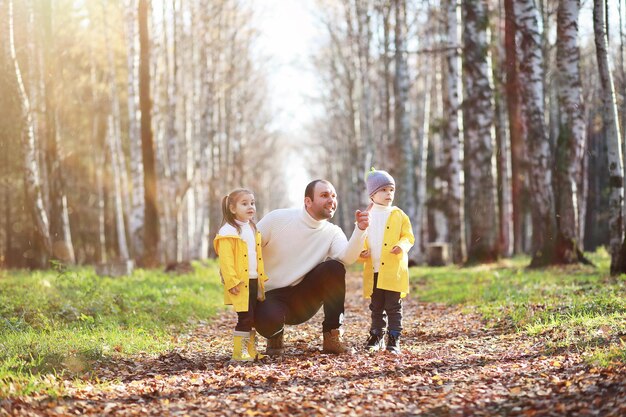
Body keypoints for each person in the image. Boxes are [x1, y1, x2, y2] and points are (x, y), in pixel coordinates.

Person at [254, 179, 370, 355]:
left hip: (303, 299)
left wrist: (360, 229)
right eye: (324, 195)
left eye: (333, 195)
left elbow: (347, 257)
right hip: (271, 296)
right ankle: (275, 336)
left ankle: (332, 337)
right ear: (308, 201)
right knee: (270, 322)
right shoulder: (277, 219)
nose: (331, 200)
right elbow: (247, 247)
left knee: (334, 268)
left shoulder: (333, 232)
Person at [358, 169, 414, 354]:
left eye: (391, 190)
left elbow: (408, 236)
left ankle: (394, 337)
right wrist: (362, 252)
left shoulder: (399, 214)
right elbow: (359, 238)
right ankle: (376, 335)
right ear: (372, 194)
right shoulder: (367, 215)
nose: (388, 194)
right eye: (383, 190)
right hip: (374, 269)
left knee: (393, 306)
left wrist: (401, 245)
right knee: (376, 306)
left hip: (393, 270)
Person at [214, 188, 268, 361]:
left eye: (252, 203)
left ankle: (250, 351)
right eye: (244, 204)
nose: (250, 207)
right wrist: (232, 281)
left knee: (252, 317)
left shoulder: (252, 227)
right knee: (244, 317)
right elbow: (226, 260)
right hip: (239, 282)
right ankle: (239, 353)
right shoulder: (228, 231)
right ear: (232, 208)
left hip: (253, 280)